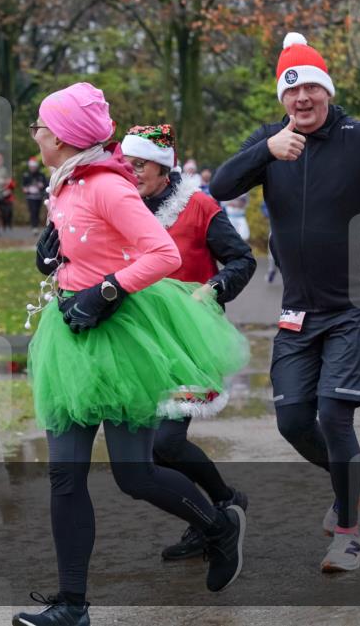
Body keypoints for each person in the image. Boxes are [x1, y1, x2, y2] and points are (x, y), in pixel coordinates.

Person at [14, 83, 249, 626]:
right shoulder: (65, 184)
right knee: (65, 476)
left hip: (121, 336)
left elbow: (163, 254)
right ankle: (71, 605)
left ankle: (219, 527)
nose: (35, 134)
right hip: (70, 335)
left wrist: (105, 291)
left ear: (63, 136)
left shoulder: (105, 186)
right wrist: (53, 262)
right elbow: (87, 249)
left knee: (134, 474)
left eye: (40, 126)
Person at [211, 32, 360, 572]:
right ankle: (354, 478)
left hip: (356, 302)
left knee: (334, 414)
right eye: (291, 91)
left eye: (311, 88)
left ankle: (348, 536)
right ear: (283, 98)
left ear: (327, 90)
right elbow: (221, 186)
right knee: (292, 418)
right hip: (298, 306)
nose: (302, 99)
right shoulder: (272, 140)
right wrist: (266, 150)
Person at [122, 124, 256, 561]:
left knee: (166, 443)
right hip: (142, 344)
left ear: (164, 168)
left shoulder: (198, 206)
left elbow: (242, 260)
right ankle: (209, 519)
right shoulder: (124, 207)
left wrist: (212, 289)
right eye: (126, 163)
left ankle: (225, 502)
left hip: (191, 342)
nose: (130, 171)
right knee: (150, 455)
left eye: (139, 164)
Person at [22, 156, 47, 233]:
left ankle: (35, 225)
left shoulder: (41, 175)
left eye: (34, 167)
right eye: (31, 167)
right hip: (30, 196)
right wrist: (26, 189)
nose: (32, 168)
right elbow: (23, 186)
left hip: (38, 196)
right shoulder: (26, 175)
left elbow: (46, 185)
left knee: (37, 211)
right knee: (32, 210)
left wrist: (42, 186)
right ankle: (34, 226)